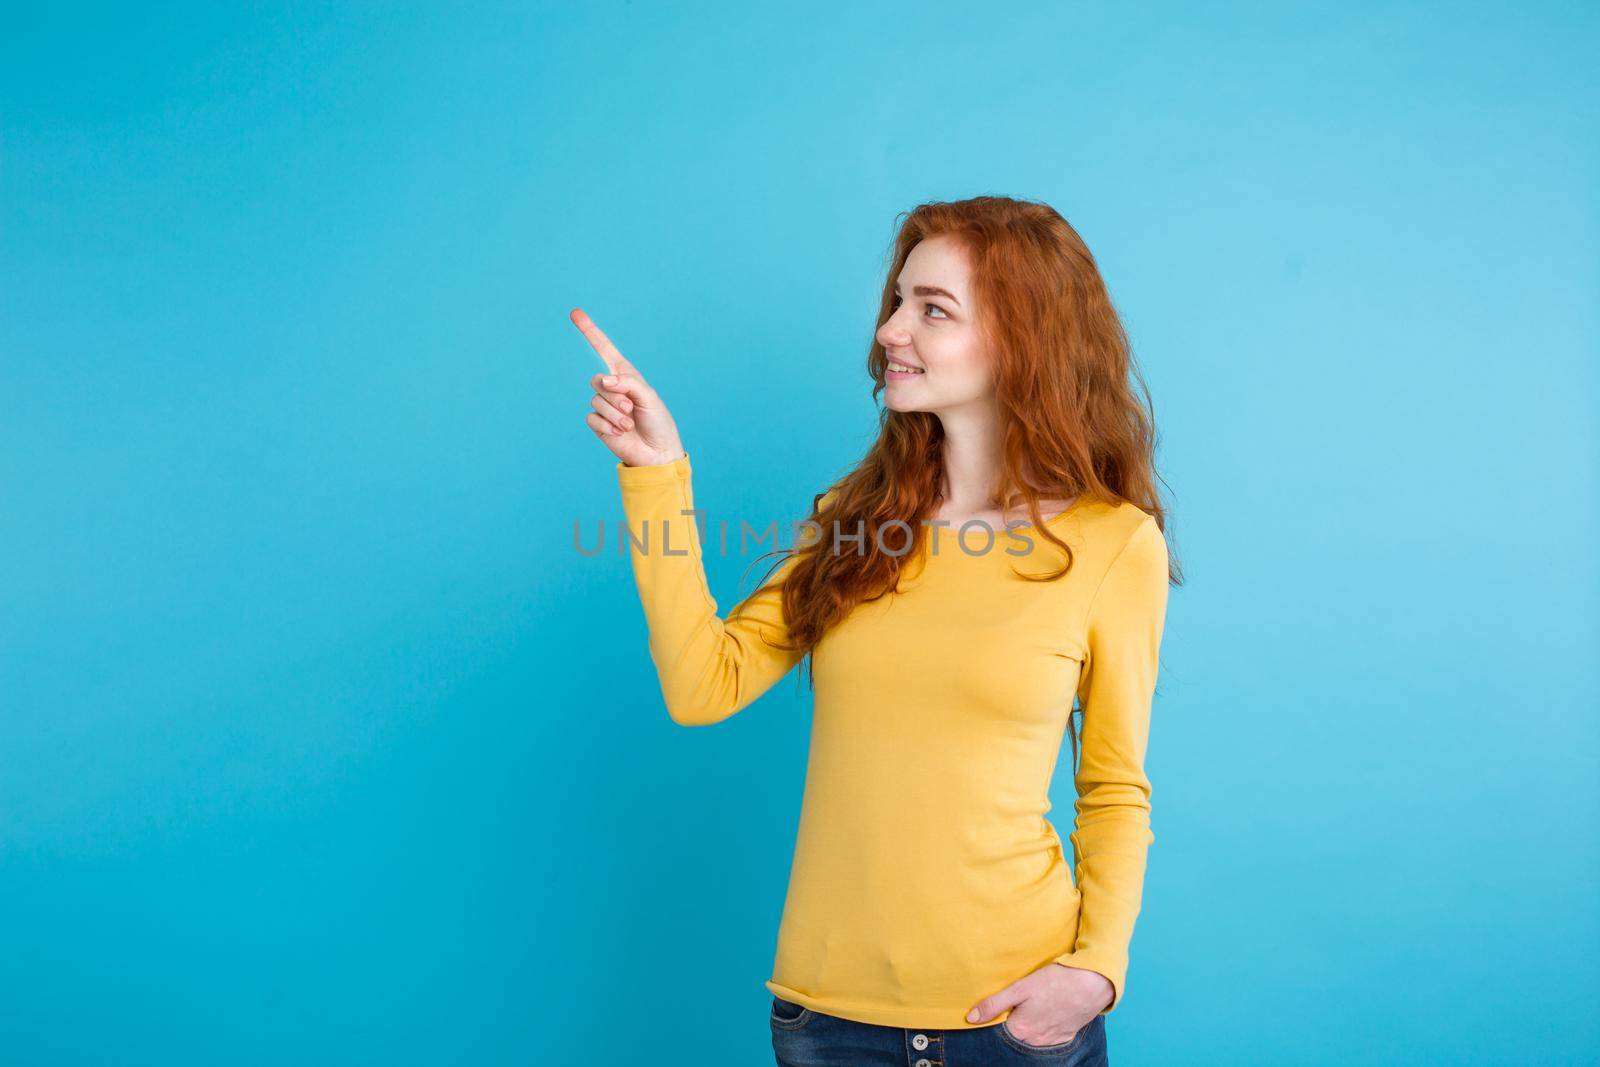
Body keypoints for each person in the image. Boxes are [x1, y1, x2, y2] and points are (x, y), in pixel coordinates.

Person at [575, 194, 1179, 1066]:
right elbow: (703, 685)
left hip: (1015, 1021)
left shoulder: (1113, 543)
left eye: (933, 309)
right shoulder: (854, 524)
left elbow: (1114, 786)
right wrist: (657, 476)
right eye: (898, 302)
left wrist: (1097, 970)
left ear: (1025, 337)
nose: (892, 330)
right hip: (828, 1022)